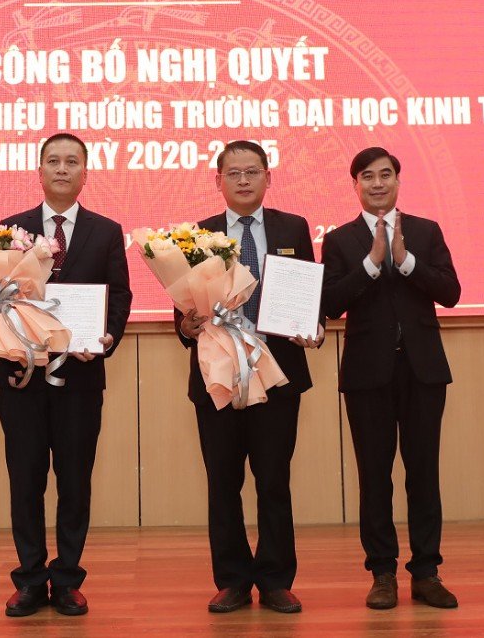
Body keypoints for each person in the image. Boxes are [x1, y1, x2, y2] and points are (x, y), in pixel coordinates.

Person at [176, 140, 323, 615]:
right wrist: (186, 325)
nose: (243, 180)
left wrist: (312, 326)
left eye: (252, 171)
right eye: (233, 172)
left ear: (267, 177)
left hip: (276, 373)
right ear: (216, 180)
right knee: (223, 482)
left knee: (274, 480)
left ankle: (276, 579)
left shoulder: (293, 228)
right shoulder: (198, 234)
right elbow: (182, 307)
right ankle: (233, 580)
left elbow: (306, 291)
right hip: (217, 376)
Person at [0, 132, 132, 618]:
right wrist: (2, 334)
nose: (62, 169)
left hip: (80, 379)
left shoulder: (106, 231)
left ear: (85, 172)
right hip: (21, 378)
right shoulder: (9, 230)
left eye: (72, 161)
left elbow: (119, 296)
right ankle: (30, 579)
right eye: (53, 161)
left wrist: (108, 338)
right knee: (25, 480)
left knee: (75, 481)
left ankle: (68, 578)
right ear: (39, 170)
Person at [320, 146, 461, 611]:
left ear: (398, 181)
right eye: (367, 177)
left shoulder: (425, 230)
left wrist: (404, 260)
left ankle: (426, 572)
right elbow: (330, 303)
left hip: (423, 372)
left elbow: (450, 293)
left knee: (424, 474)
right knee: (374, 477)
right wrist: (371, 260)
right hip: (367, 375)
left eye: (385, 175)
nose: (377, 184)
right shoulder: (339, 240)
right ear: (355, 185)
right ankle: (382, 573)